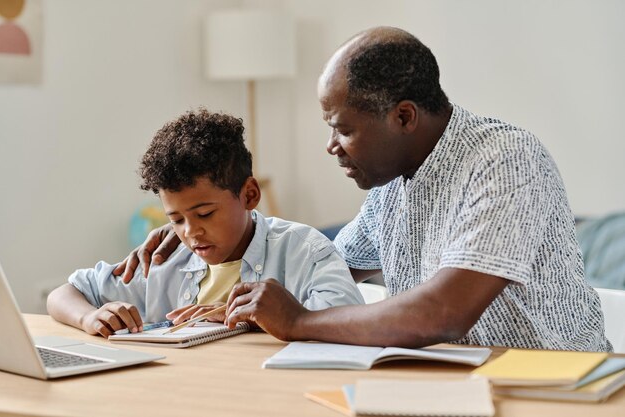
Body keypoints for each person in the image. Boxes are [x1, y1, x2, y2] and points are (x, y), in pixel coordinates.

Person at [117, 27, 611, 352]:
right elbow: (316, 265)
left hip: (555, 388)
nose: (331, 146)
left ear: (403, 117)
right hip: (451, 383)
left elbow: (441, 315)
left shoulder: (505, 160)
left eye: (342, 129)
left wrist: (296, 322)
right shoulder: (392, 185)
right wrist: (203, 242)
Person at [46, 109, 364, 337]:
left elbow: (347, 312)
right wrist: (89, 318)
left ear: (250, 195)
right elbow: (64, 293)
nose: (190, 231)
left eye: (205, 214)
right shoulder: (163, 259)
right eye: (176, 219)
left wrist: (259, 317)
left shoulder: (300, 249)